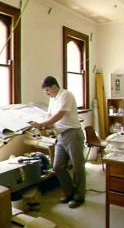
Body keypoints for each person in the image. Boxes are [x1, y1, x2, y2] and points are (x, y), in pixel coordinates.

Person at [31, 76, 86, 208]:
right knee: (57, 167)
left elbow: (59, 115)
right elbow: (50, 116)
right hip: (60, 136)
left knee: (77, 166)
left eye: (47, 90)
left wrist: (42, 124)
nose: (46, 93)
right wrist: (42, 125)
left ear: (54, 86)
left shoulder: (66, 95)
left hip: (73, 134)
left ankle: (79, 196)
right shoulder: (52, 99)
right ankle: (69, 193)